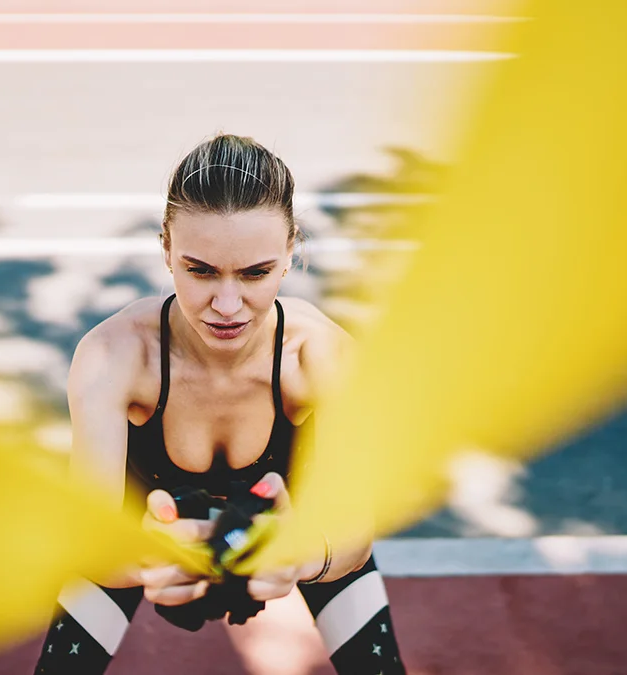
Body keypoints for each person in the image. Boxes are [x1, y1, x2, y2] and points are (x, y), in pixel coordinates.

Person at [35, 134, 405, 675]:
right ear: (166, 250)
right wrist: (146, 555)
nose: (227, 306)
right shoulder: (113, 356)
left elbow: (352, 538)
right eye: (200, 270)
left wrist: (299, 551)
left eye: (255, 273)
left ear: (290, 253)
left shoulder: (323, 357)